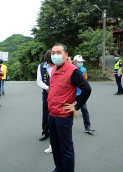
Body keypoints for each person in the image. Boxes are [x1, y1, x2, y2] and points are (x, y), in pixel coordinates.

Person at [48, 43, 91, 172]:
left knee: (66, 147)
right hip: (52, 114)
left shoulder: (73, 70)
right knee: (55, 145)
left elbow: (87, 88)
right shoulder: (55, 68)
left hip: (63, 116)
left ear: (66, 55)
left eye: (59, 52)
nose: (55, 55)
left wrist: (76, 106)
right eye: (53, 53)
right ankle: (59, 168)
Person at [72, 55, 95, 133]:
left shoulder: (84, 69)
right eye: (79, 62)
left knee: (84, 110)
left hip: (81, 94)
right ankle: (67, 127)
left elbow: (85, 81)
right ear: (74, 61)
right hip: (72, 94)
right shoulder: (70, 69)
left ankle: (87, 126)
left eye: (82, 62)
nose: (81, 63)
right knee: (69, 111)